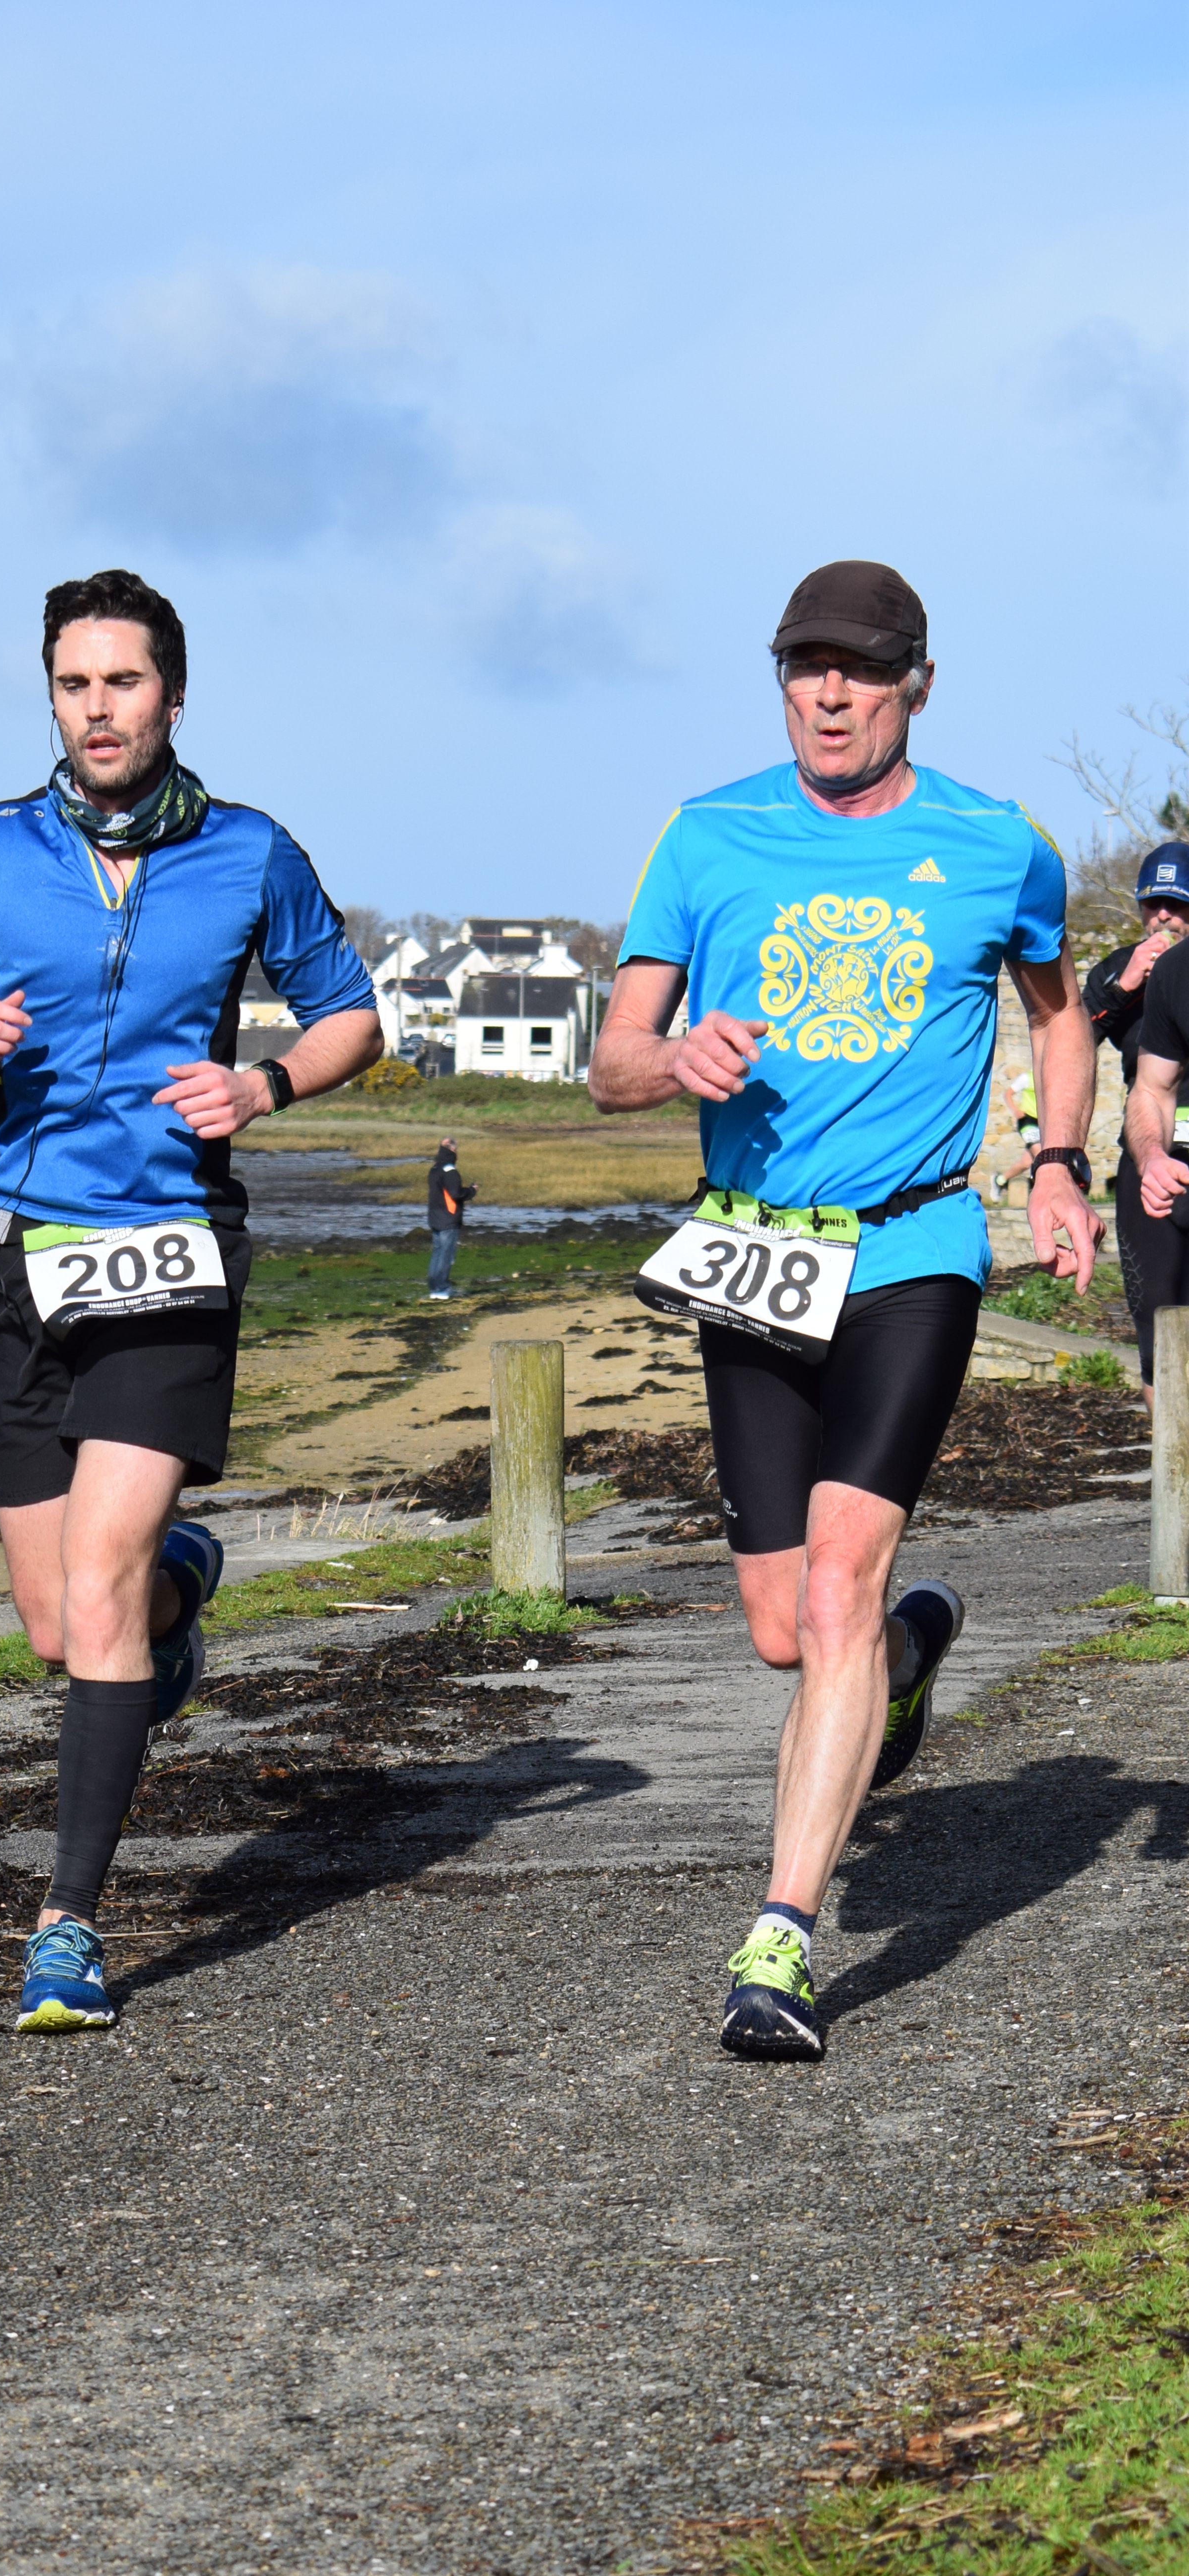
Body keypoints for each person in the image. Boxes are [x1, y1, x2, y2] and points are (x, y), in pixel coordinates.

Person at [589, 558, 1100, 2062]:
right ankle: (908, 1652)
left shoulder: (998, 845)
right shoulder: (706, 835)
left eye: (860, 669)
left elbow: (1061, 1014)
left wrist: (1055, 1164)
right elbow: (613, 1059)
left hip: (912, 1248)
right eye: (803, 665)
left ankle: (779, 1940)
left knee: (832, 1593)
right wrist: (670, 1062)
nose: (827, 693)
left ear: (914, 685)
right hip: (752, 1253)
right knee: (784, 1627)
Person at [0, 568, 381, 2032]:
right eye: (74, 684)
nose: (98, 709)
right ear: (51, 696)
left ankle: (66, 1928)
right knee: (61, 1623)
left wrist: (265, 1084)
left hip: (169, 1251)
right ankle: (182, 1585)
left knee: (95, 1589)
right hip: (17, 1256)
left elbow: (352, 1015)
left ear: (173, 694)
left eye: (125, 681)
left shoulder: (247, 852)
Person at [1081, 840, 1189, 1403]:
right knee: (1156, 1325)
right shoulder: (1119, 969)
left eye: (1176, 904)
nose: (1163, 916)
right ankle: (1170, 1448)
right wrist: (1122, 988)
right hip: (1151, 1151)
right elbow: (1071, 1044)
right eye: (1152, 904)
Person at [425, 1138, 475, 1297]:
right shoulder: (449, 1170)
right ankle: (441, 1289)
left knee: (438, 1252)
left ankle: (435, 1288)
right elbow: (456, 1193)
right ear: (452, 1149)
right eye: (456, 1149)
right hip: (448, 1218)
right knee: (446, 1255)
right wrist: (471, 1191)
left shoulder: (435, 1169)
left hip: (435, 1217)